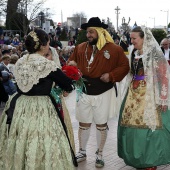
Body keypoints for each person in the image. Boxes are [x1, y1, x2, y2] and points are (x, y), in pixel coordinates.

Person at [0, 28, 77, 169]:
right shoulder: (45, 64)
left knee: (21, 139)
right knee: (41, 141)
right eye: (47, 43)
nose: (48, 46)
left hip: (19, 105)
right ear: (42, 46)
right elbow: (68, 84)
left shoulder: (21, 61)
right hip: (41, 107)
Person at [67, 17, 129, 168]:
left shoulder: (115, 49)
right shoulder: (80, 47)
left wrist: (111, 76)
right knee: (83, 122)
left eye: (91, 32)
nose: (88, 35)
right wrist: (72, 65)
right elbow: (70, 63)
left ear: (100, 32)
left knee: (101, 124)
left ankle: (100, 153)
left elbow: (124, 67)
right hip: (84, 90)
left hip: (103, 90)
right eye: (87, 32)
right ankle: (82, 151)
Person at [117, 26, 170, 170]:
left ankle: (150, 161)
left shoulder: (155, 54)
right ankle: (138, 159)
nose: (131, 40)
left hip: (149, 95)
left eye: (134, 38)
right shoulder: (133, 52)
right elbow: (131, 73)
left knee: (150, 128)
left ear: (143, 38)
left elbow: (164, 77)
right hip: (133, 95)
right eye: (131, 38)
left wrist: (163, 98)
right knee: (131, 128)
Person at [45, 46, 76, 154]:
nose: (45, 58)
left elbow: (67, 88)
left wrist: (62, 91)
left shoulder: (55, 69)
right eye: (44, 55)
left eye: (47, 55)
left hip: (56, 102)